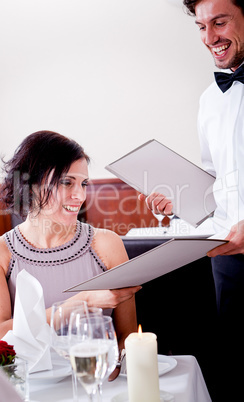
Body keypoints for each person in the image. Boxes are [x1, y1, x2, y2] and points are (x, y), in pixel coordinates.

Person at [141, 1, 244, 400]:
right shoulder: (209, 100)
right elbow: (217, 182)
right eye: (201, 26)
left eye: (220, 22)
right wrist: (179, 196)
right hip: (228, 261)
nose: (209, 38)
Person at [0, 130, 140, 351]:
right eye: (66, 182)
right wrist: (84, 302)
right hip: (30, 384)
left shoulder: (106, 245)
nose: (80, 196)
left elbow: (126, 338)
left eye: (83, 184)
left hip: (96, 377)